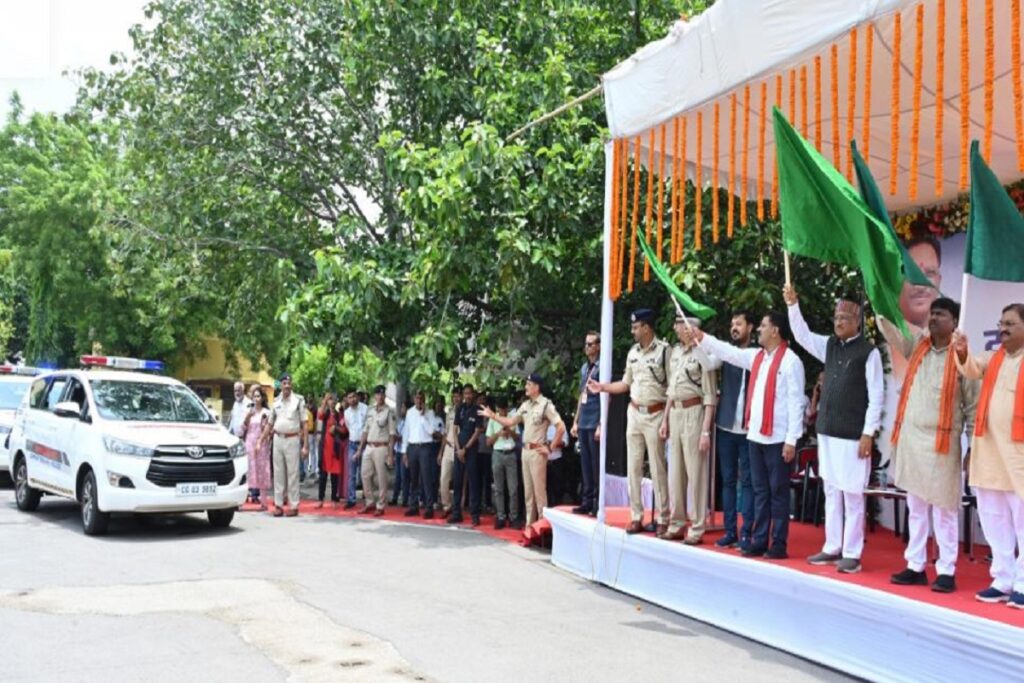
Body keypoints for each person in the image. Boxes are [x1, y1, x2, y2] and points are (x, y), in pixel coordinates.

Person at [879, 298, 978, 593]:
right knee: (916, 506)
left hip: (942, 444)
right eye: (932, 313)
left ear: (955, 321)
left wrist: (972, 448)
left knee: (944, 509)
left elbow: (972, 407)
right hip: (912, 440)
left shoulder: (963, 357)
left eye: (941, 314)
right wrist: (879, 303)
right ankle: (915, 566)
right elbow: (894, 335)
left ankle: (946, 570)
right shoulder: (918, 347)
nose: (933, 318)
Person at [785, 286, 883, 574]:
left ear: (857, 322)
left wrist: (869, 433)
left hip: (854, 435)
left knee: (852, 493)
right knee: (831, 490)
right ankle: (832, 546)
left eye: (844, 318)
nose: (838, 322)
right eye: (836, 317)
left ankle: (852, 552)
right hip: (827, 431)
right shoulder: (828, 345)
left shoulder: (869, 352)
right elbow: (802, 336)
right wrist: (793, 305)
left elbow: (876, 395)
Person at [694, 312, 805, 559]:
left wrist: (791, 440)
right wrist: (703, 338)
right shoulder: (757, 357)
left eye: (763, 326)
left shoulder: (790, 362)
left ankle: (778, 543)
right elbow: (727, 352)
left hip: (778, 439)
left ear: (775, 331)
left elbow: (796, 403)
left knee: (777, 492)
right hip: (755, 435)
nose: (759, 330)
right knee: (760, 491)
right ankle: (759, 539)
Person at [953, 302, 1024, 607]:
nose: (1003, 329)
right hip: (989, 455)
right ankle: (1003, 578)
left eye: (1010, 323)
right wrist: (962, 350)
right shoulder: (994, 358)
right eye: (1001, 323)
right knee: (994, 519)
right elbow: (971, 367)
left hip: (1018, 457)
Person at [588, 309, 672, 535]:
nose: (633, 331)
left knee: (657, 468)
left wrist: (667, 419)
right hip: (634, 412)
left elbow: (672, 388)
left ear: (646, 327)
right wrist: (603, 387)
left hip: (655, 412)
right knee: (633, 467)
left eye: (636, 327)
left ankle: (663, 516)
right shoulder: (633, 352)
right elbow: (625, 383)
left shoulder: (664, 351)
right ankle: (636, 515)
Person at [659, 315, 718, 544]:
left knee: (696, 473)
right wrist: (665, 420)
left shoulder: (703, 353)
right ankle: (676, 522)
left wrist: (705, 431)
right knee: (676, 473)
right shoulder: (675, 353)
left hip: (695, 413)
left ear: (691, 328)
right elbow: (671, 391)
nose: (676, 328)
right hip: (676, 413)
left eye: (680, 324)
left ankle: (697, 525)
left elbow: (710, 395)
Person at [481, 374, 565, 526]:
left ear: (536, 387)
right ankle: (530, 525)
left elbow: (561, 427)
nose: (526, 387)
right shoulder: (526, 405)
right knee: (528, 493)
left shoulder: (546, 405)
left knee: (539, 492)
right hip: (525, 451)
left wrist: (550, 448)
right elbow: (510, 421)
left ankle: (542, 527)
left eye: (528, 384)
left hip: (537, 452)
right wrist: (493, 416)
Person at [711, 311, 757, 550]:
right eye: (732, 324)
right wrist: (696, 343)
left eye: (738, 324)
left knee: (748, 482)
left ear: (750, 327)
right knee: (728, 481)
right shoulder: (726, 353)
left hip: (750, 429)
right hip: (727, 426)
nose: (734, 328)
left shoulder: (760, 354)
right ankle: (730, 531)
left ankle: (747, 534)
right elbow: (709, 362)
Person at [260, 373, 308, 517]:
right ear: (280, 385)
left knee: (293, 473)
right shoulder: (276, 401)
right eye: (284, 383)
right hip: (278, 439)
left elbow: (304, 423)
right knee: (278, 473)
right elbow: (270, 423)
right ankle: (279, 505)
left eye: (288, 383)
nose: (286, 385)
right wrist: (260, 440)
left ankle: (293, 505)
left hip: (292, 439)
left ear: (291, 384)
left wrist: (305, 446)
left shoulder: (298, 400)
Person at [570, 331, 602, 516]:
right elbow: (582, 395)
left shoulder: (602, 366)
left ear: (598, 346)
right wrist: (575, 421)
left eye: (590, 344)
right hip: (584, 420)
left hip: (595, 419)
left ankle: (597, 502)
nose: (587, 347)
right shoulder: (585, 368)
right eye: (586, 344)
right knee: (585, 464)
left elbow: (606, 396)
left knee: (596, 464)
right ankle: (587, 500)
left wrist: (600, 423)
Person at [355, 385, 397, 516]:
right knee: (365, 475)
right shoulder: (370, 410)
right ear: (375, 396)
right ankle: (369, 502)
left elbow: (392, 434)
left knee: (381, 478)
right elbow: (365, 430)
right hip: (369, 446)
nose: (381, 397)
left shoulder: (389, 411)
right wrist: (359, 449)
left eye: (383, 394)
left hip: (381, 447)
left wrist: (390, 454)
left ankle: (381, 505)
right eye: (378, 394)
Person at [450, 384, 484, 526]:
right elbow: (455, 429)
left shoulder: (478, 410)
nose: (467, 396)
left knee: (473, 483)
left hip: (471, 451)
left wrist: (465, 449)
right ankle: (456, 513)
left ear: (474, 394)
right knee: (457, 483)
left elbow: (477, 432)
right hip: (459, 452)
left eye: (470, 393)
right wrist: (458, 449)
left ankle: (475, 515)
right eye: (465, 393)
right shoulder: (460, 408)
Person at [486, 396, 521, 529]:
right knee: (498, 488)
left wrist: (510, 431)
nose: (502, 412)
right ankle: (500, 516)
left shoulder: (513, 419)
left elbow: (518, 437)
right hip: (497, 454)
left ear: (507, 409)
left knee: (513, 488)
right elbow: (488, 442)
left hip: (510, 454)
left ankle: (513, 516)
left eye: (504, 410)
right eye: (500, 410)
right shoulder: (492, 420)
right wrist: (499, 434)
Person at [404, 391, 439, 519]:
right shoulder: (409, 412)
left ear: (424, 399)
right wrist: (404, 451)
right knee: (413, 478)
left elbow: (431, 431)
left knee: (426, 478)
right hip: (412, 447)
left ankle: (429, 507)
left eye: (421, 398)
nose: (419, 400)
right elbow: (406, 432)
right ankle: (414, 506)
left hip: (425, 447)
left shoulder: (430, 413)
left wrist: (423, 416)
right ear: (414, 399)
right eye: (417, 398)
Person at [241, 385, 272, 510]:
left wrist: (263, 438)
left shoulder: (266, 412)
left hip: (262, 444)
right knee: (248, 470)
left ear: (262, 398)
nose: (256, 398)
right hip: (249, 442)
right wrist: (248, 416)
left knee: (262, 470)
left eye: (258, 396)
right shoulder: (249, 411)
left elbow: (269, 430)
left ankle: (264, 502)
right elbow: (242, 428)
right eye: (254, 396)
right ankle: (242, 501)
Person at [316, 392, 347, 508]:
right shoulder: (326, 413)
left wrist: (336, 428)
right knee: (323, 475)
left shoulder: (340, 415)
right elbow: (319, 415)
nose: (332, 401)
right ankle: (320, 499)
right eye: (330, 399)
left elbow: (344, 430)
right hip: (325, 448)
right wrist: (324, 400)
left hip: (335, 449)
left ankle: (334, 499)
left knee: (335, 476)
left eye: (334, 400)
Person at [438, 387, 462, 516]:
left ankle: (457, 508)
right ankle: (446, 506)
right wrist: (441, 452)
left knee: (458, 481)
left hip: (459, 449)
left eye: (458, 396)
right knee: (443, 479)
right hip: (448, 447)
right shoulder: (450, 412)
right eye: (454, 396)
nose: (456, 398)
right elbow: (446, 433)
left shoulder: (464, 410)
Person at [343, 390, 368, 509]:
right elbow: (349, 428)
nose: (352, 399)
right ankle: (351, 499)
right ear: (347, 399)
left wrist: (362, 445)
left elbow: (366, 428)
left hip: (365, 445)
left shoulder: (365, 409)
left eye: (353, 396)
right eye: (349, 397)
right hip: (352, 444)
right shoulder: (346, 413)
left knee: (366, 473)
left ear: (357, 397)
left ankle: (368, 498)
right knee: (351, 474)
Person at [391, 401, 410, 507]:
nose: (401, 410)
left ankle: (405, 499)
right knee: (398, 477)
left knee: (404, 477)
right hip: (398, 450)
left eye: (403, 407)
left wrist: (397, 437)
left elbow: (406, 437)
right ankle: (395, 497)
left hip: (404, 451)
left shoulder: (409, 422)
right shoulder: (401, 421)